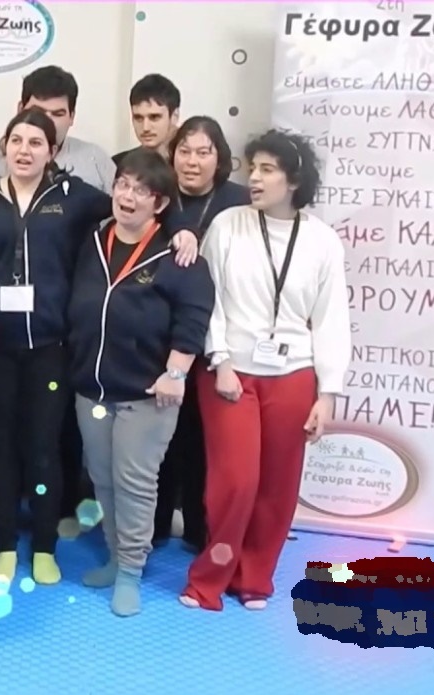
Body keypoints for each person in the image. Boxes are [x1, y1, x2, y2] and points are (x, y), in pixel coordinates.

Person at [181, 130, 351, 612]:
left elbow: (331, 319)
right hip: (230, 372)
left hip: (294, 374)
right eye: (252, 168)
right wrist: (220, 359)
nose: (253, 178)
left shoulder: (322, 241)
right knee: (234, 482)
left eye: (267, 170)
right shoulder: (228, 226)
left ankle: (254, 578)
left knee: (277, 485)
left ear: (293, 180)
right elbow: (207, 299)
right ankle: (208, 580)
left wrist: (328, 392)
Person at [0, 108, 113, 585]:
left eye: (36, 143)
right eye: (16, 141)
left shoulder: (75, 199)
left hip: (50, 348)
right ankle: (3, 545)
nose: (24, 150)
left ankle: (43, 545)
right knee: (0, 448)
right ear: (4, 146)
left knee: (44, 449)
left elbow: (132, 208)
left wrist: (180, 230)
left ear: (52, 151)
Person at [67, 150, 215, 617]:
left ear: (160, 203)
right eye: (123, 185)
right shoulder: (95, 239)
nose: (128, 196)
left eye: (141, 190)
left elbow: (194, 316)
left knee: (134, 482)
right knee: (102, 478)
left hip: (148, 393)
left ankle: (131, 570)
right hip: (92, 388)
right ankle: (116, 556)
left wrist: (176, 372)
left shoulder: (177, 253)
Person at [151, 116, 251, 553]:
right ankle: (154, 527)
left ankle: (199, 527)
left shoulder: (239, 203)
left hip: (218, 338)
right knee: (161, 439)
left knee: (203, 440)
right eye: (184, 151)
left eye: (203, 152)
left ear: (219, 158)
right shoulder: (158, 196)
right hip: (161, 338)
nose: (192, 161)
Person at [0, 66, 115, 193]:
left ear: (71, 117)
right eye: (38, 112)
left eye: (58, 114)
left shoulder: (95, 159)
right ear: (21, 109)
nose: (47, 121)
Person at [112, 74, 181, 165]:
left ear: (174, 116)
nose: (145, 127)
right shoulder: (118, 164)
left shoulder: (189, 164)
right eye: (138, 118)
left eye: (154, 117)